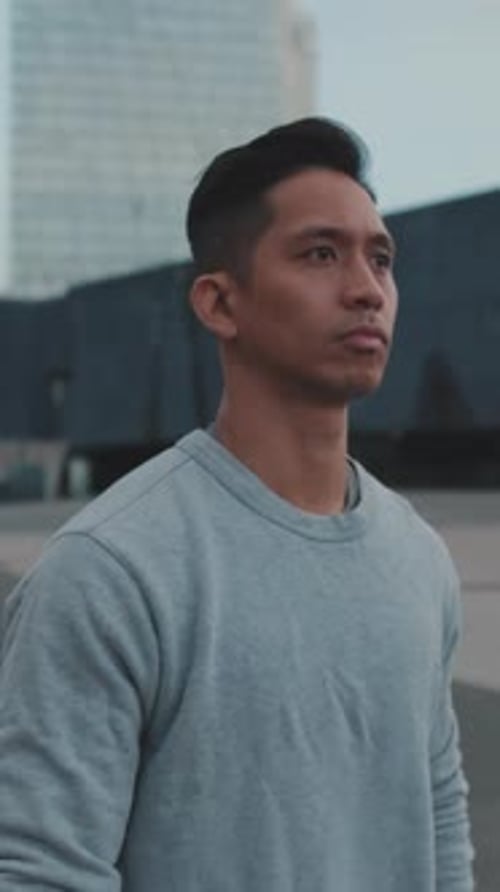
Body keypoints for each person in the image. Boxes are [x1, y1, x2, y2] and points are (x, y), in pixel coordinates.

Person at [0, 118, 474, 891]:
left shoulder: (418, 556)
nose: (366, 288)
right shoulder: (113, 570)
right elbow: (39, 870)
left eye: (380, 258)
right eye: (321, 253)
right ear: (220, 304)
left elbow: (438, 818)